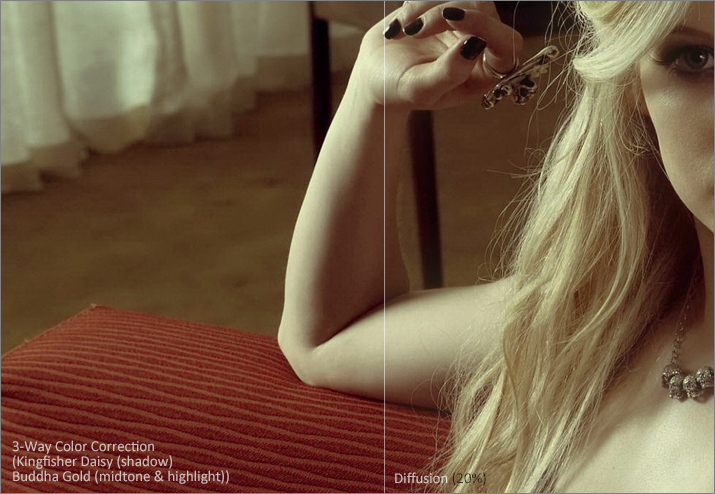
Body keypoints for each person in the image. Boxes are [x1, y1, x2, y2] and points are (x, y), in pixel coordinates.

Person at [278, 1, 714, 491]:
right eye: (696, 59)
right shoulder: (595, 326)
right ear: (633, 82)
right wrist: (376, 98)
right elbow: (330, 336)